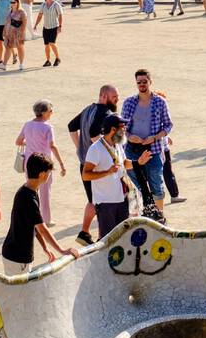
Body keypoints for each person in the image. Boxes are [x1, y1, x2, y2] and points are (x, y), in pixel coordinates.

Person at [0, 154, 81, 276]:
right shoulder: (29, 198)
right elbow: (42, 229)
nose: (49, 176)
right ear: (42, 174)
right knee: (19, 294)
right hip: (17, 258)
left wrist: (45, 247)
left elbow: (35, 225)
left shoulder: (29, 190)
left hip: (16, 255)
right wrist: (62, 250)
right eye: (48, 173)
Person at [68, 84, 122, 246]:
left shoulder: (88, 109)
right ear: (104, 96)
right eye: (114, 97)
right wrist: (108, 151)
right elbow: (93, 134)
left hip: (84, 162)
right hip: (97, 166)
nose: (116, 100)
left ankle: (86, 233)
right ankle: (94, 234)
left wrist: (79, 148)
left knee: (94, 200)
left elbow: (71, 126)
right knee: (99, 202)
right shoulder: (105, 112)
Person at [122, 68, 178, 213]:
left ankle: (160, 218)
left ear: (150, 82)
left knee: (156, 185)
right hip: (132, 150)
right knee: (134, 186)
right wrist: (129, 136)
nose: (142, 84)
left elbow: (168, 125)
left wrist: (155, 137)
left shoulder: (160, 102)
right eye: (139, 82)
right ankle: (140, 215)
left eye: (144, 82)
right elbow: (122, 127)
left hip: (153, 149)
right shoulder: (129, 102)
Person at [83, 116, 147, 238]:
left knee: (123, 238)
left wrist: (138, 162)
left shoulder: (117, 145)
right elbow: (86, 175)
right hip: (106, 203)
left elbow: (123, 164)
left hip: (121, 199)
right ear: (113, 129)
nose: (125, 130)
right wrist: (107, 172)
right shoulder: (95, 149)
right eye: (123, 127)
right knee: (108, 240)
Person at [15, 100, 67, 226]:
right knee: (45, 191)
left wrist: (30, 142)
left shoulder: (27, 124)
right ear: (44, 112)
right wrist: (61, 164)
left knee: (31, 189)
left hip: (29, 161)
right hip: (43, 163)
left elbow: (18, 141)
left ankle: (31, 218)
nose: (51, 113)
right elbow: (52, 146)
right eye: (50, 110)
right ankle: (46, 220)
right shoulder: (48, 127)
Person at [34, 0, 63, 66]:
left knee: (52, 43)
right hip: (46, 27)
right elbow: (40, 15)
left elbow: (60, 16)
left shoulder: (56, 5)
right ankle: (48, 60)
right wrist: (36, 24)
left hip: (54, 27)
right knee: (46, 44)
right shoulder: (43, 5)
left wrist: (60, 26)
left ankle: (58, 58)